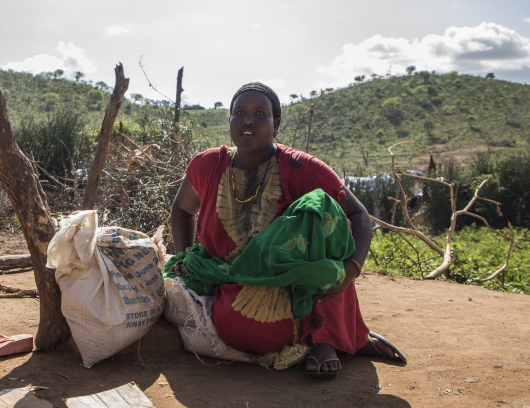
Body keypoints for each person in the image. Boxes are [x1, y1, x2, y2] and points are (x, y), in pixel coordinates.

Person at [169, 82, 404, 378]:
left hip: (298, 277)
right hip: (233, 277)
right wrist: (184, 256)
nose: (249, 119)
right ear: (229, 121)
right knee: (238, 323)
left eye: (260, 113)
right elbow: (182, 208)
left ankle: (326, 339)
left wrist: (352, 268)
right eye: (239, 112)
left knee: (324, 211)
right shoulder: (208, 165)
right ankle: (341, 338)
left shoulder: (302, 168)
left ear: (275, 124)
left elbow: (358, 215)